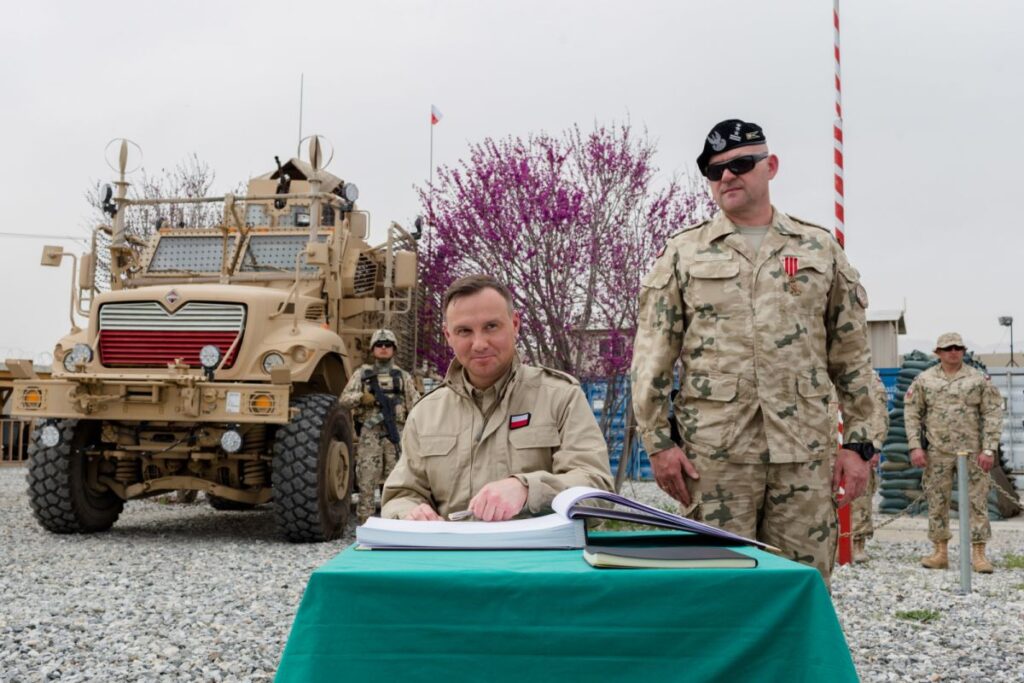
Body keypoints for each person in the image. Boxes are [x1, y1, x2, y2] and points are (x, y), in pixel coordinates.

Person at [631, 119, 879, 584]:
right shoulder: (684, 253)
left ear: (771, 167)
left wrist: (860, 444)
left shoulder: (818, 248)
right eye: (713, 169)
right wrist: (659, 444)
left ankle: (798, 662)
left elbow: (851, 355)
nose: (727, 176)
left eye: (741, 164)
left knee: (802, 586)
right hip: (717, 457)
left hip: (803, 454)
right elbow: (653, 356)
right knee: (717, 588)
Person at [381, 274, 613, 521]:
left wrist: (527, 489)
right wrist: (410, 513)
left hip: (536, 556)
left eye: (491, 326)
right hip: (451, 556)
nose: (479, 343)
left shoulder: (560, 398)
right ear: (448, 336)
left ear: (515, 324)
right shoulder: (426, 413)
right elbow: (400, 495)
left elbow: (597, 490)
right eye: (464, 331)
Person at [904, 332, 1004, 573]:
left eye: (958, 347)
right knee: (937, 501)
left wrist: (989, 448)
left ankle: (979, 554)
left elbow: (993, 412)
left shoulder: (978, 379)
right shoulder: (924, 380)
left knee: (978, 502)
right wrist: (915, 446)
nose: (953, 352)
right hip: (937, 452)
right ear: (938, 352)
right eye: (948, 348)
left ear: (964, 350)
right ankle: (940, 553)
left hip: (972, 453)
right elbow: (912, 413)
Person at [340, 329, 420, 524]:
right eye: (379, 345)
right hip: (370, 435)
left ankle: (393, 522)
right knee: (367, 481)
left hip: (396, 435)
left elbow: (417, 406)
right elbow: (343, 400)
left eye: (388, 345)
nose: (383, 348)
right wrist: (362, 398)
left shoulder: (403, 377)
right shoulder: (362, 375)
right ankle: (366, 524)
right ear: (373, 349)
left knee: (397, 482)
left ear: (394, 349)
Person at [850, 371, 891, 563]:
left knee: (860, 495)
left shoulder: (866, 374)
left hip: (858, 442)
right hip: (823, 443)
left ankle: (856, 543)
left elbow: (878, 411)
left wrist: (875, 445)